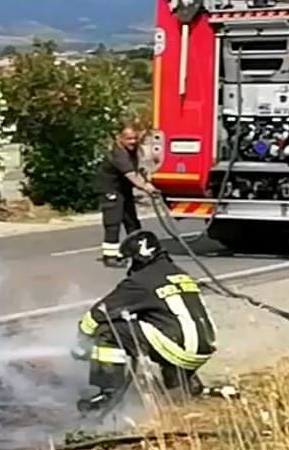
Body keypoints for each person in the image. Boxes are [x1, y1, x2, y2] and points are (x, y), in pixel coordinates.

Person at [72, 230, 231, 412]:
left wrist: (82, 341)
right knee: (163, 328)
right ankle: (184, 386)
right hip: (204, 346)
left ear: (138, 259)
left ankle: (108, 395)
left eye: (130, 260)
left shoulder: (139, 281)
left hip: (178, 348)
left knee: (108, 331)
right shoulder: (178, 273)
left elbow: (99, 313)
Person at [96, 125, 158, 267]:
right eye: (129, 139)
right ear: (120, 139)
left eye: (135, 138)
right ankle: (110, 257)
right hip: (110, 190)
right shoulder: (118, 154)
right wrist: (146, 188)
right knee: (113, 223)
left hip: (124, 190)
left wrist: (146, 179)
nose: (133, 141)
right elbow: (131, 175)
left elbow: (137, 170)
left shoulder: (132, 151)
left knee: (132, 223)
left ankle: (139, 252)